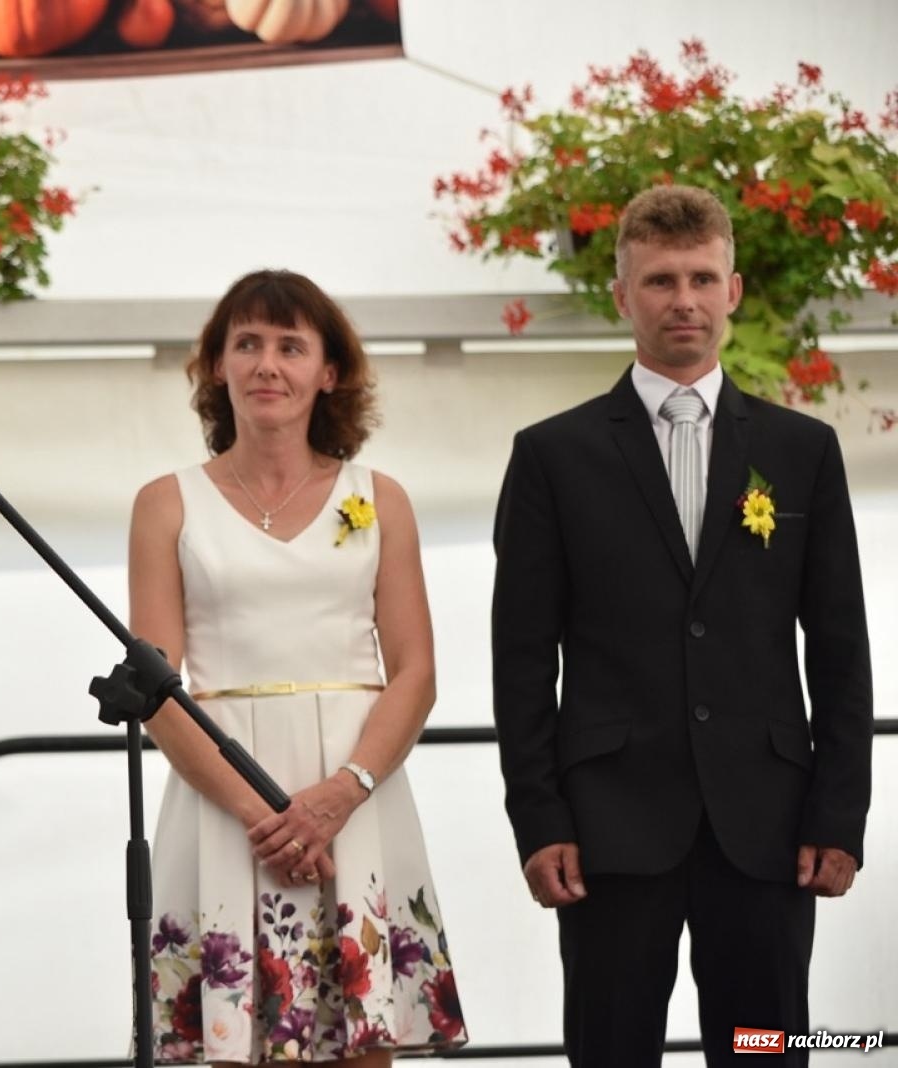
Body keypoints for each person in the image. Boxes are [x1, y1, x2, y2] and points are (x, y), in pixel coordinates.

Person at [491, 185, 873, 1066]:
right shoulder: (553, 456)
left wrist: (839, 811)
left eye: (703, 277)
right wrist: (538, 815)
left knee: (763, 1048)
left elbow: (843, 651)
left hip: (770, 825)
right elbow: (520, 663)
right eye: (661, 280)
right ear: (623, 295)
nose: (685, 300)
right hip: (607, 830)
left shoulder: (802, 452)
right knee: (612, 1050)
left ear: (733, 290)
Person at [131, 269, 466, 1063]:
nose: (267, 365)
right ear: (217, 365)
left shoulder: (380, 497)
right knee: (237, 1046)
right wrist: (264, 816)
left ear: (331, 371)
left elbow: (415, 671)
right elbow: (155, 686)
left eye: (290, 345)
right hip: (223, 809)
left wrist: (338, 796)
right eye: (246, 344)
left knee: (361, 1048)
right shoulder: (166, 502)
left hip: (355, 803)